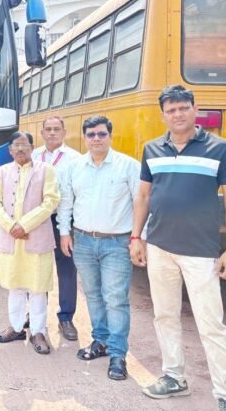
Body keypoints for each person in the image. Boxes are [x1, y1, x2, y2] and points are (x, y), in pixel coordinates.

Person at [131, 85, 226, 410]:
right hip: (159, 247)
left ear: (195, 109)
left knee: (211, 325)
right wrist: (136, 238)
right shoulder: (152, 149)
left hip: (201, 252)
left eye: (183, 108)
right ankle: (174, 377)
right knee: (165, 316)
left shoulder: (220, 148)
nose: (177, 114)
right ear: (163, 115)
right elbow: (143, 196)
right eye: (171, 110)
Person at [57, 115, 140, 381]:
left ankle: (118, 354)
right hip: (83, 241)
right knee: (92, 294)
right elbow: (66, 203)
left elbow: (141, 203)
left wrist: (138, 238)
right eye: (91, 134)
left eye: (102, 134)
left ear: (110, 136)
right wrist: (64, 233)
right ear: (84, 137)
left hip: (117, 242)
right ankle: (100, 341)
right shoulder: (74, 167)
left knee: (115, 298)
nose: (96, 139)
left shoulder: (128, 166)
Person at [0, 131, 60, 354]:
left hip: (36, 236)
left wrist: (25, 225)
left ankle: (38, 332)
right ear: (10, 150)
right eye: (16, 145)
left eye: (24, 145)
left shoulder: (45, 170)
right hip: (11, 237)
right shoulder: (3, 171)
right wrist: (11, 226)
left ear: (32, 147)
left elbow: (51, 201)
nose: (20, 149)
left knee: (38, 287)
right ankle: (17, 327)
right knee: (15, 285)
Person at [31, 116, 82, 341]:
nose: (52, 133)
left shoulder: (75, 159)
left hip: (64, 219)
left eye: (56, 129)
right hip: (37, 220)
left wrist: (65, 230)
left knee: (67, 268)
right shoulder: (34, 155)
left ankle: (66, 317)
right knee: (36, 267)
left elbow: (72, 194)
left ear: (64, 132)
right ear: (42, 133)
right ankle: (35, 316)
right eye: (48, 129)